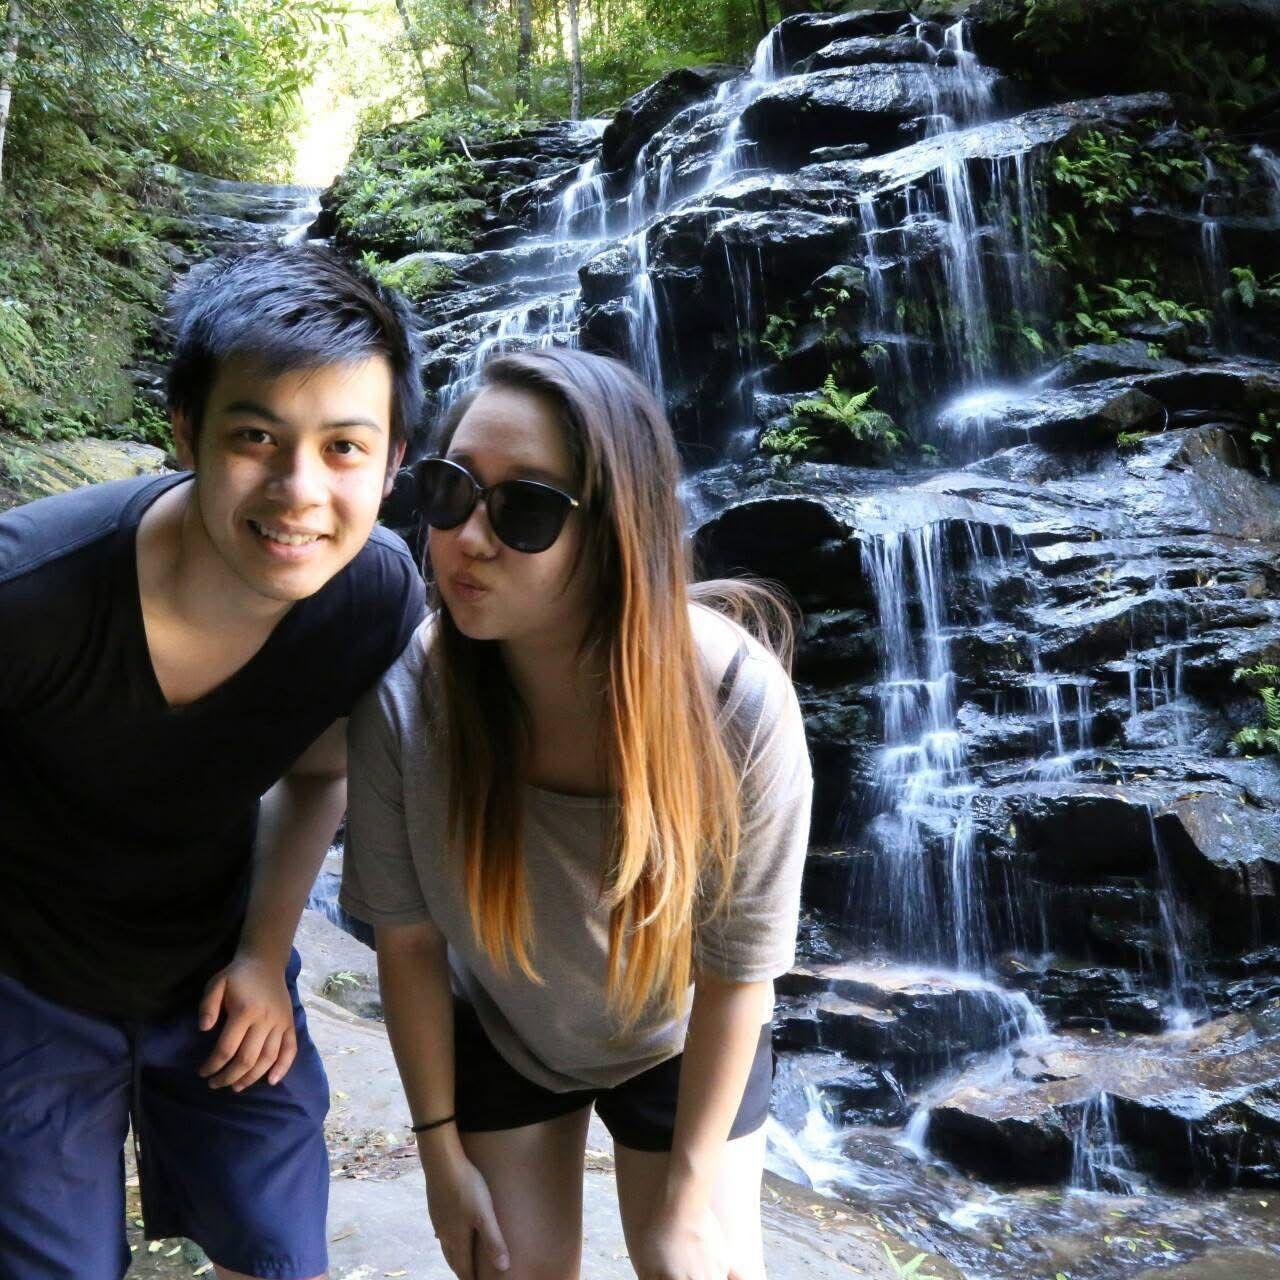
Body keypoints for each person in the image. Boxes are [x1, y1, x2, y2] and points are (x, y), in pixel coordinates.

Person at [0, 243, 427, 1280]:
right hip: (29, 980)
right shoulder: (29, 597)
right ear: (185, 431)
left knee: (278, 1249)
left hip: (214, 957)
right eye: (254, 437)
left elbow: (318, 771)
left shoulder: (371, 594)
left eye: (343, 447)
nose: (298, 491)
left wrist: (263, 954)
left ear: (392, 462)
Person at [341, 347, 813, 1280]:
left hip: (680, 1032)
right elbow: (409, 943)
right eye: (450, 491)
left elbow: (738, 976)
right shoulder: (408, 704)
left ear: (616, 532)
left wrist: (685, 1209)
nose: (468, 538)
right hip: (504, 1024)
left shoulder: (735, 704)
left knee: (695, 1264)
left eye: (525, 508)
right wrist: (440, 1157)